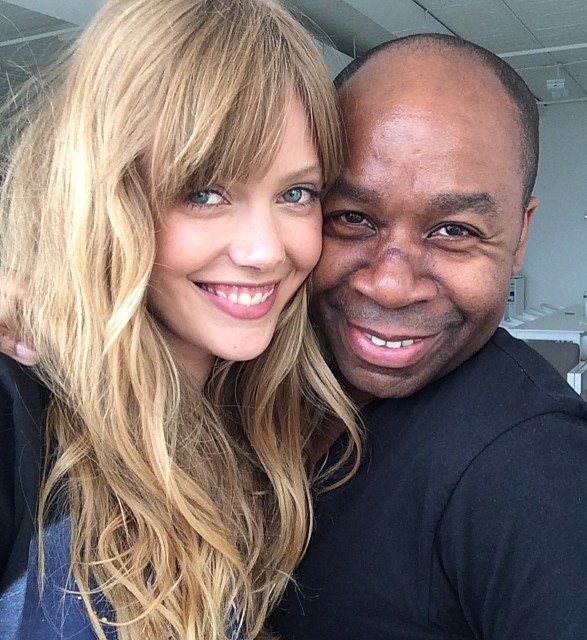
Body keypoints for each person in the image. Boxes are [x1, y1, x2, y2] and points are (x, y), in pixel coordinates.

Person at [0, 0, 360, 638]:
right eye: (204, 192)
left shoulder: (272, 414)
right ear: (108, 199)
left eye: (296, 193)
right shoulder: (19, 413)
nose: (265, 251)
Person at [267, 34, 587, 639]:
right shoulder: (261, 382)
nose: (391, 285)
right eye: (352, 218)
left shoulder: (543, 471)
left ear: (519, 238)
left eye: (454, 230)